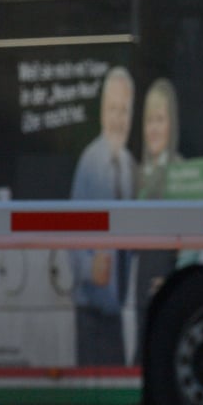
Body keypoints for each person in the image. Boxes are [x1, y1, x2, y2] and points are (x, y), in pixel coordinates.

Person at [69, 66, 136, 366]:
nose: (118, 119)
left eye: (123, 111)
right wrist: (87, 267)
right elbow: (69, 233)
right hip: (92, 312)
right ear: (101, 113)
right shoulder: (89, 162)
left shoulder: (130, 165)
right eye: (112, 109)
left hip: (119, 310)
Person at [133, 78, 182, 363]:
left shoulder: (180, 171)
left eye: (160, 120)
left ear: (171, 124)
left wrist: (169, 279)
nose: (153, 129)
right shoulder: (137, 172)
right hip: (139, 281)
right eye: (149, 120)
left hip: (165, 277)